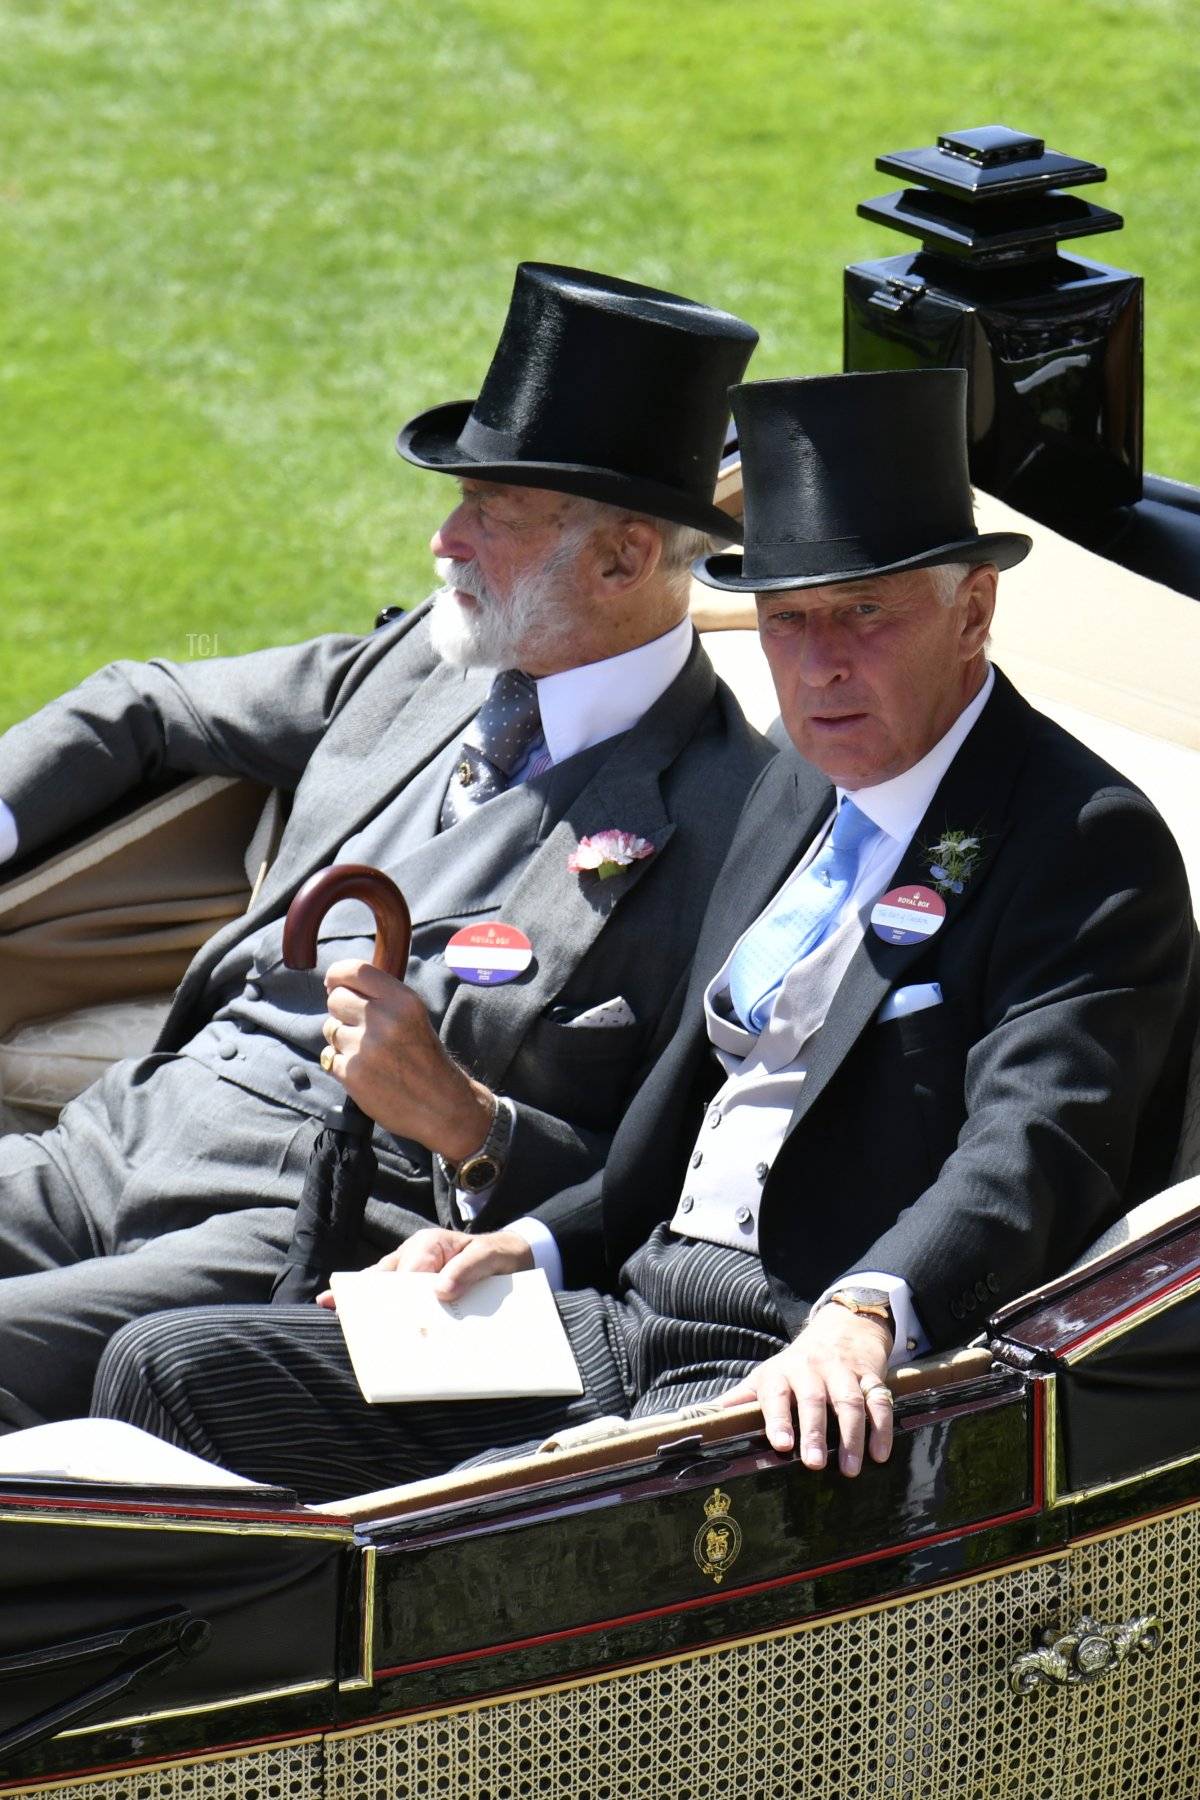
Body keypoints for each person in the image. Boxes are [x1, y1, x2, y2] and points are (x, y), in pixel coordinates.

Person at [93, 369, 1198, 1503]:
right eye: (786, 620)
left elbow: (1037, 1147)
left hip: (787, 1375)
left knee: (443, 1546)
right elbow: (684, 1112)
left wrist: (865, 1313)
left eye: (866, 614)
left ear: (973, 611)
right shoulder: (792, 785)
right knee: (164, 1369)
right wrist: (529, 1247)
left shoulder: (1083, 842)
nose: (819, 665)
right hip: (622, 1317)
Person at [0, 263, 771, 1426]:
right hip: (120, 1131)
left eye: (490, 514)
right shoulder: (424, 661)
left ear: (619, 559)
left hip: (301, 1228)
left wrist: (471, 1119)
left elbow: (670, 1195)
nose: (441, 537)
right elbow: (146, 701)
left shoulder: (733, 822)